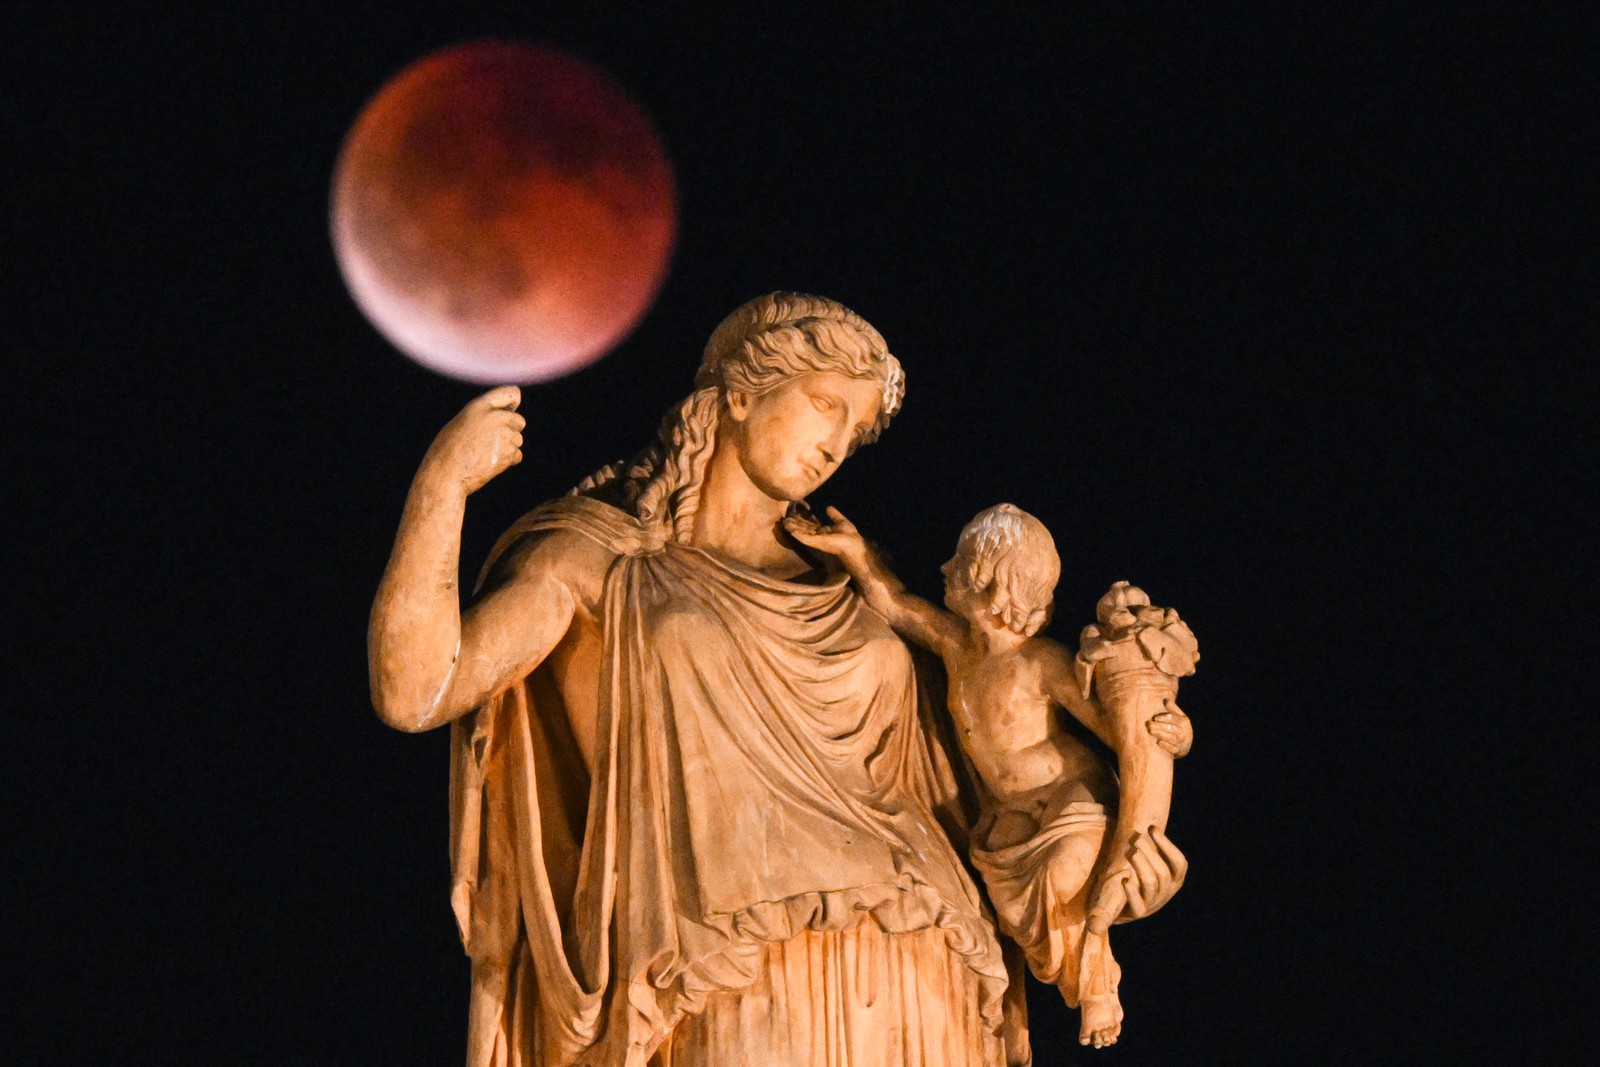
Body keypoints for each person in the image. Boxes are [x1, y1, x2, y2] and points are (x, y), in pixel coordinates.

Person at [368, 293, 1187, 1066]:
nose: (837, 444)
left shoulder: (860, 592)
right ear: (739, 395)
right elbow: (420, 689)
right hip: (721, 975)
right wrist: (442, 488)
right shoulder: (599, 561)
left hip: (928, 956)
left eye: (857, 428)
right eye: (825, 404)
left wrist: (1106, 849)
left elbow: (1003, 775)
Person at [784, 503, 1192, 1049]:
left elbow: (1120, 733)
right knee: (1016, 914)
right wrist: (855, 552)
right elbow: (898, 606)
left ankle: (1098, 984)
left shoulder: (1041, 661)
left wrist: (1175, 734)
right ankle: (1083, 970)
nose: (949, 570)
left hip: (1070, 799)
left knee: (1065, 881)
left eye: (963, 562)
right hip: (1009, 814)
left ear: (993, 582)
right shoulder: (957, 648)